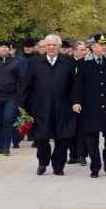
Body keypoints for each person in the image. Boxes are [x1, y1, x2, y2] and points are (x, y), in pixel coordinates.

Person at [20, 34, 76, 175]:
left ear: (59, 47)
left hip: (63, 107)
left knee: (62, 138)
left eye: (54, 45)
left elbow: (75, 85)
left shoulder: (68, 62)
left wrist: (75, 102)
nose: (51, 47)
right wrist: (22, 105)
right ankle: (43, 161)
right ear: (44, 47)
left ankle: (58, 165)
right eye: (48, 45)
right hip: (40, 107)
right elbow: (26, 85)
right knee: (41, 138)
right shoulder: (34, 63)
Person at [72, 34, 106, 178]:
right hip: (90, 106)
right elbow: (78, 85)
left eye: (104, 45)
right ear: (92, 47)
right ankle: (95, 165)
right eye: (100, 45)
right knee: (91, 137)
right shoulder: (83, 63)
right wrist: (76, 102)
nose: (103, 47)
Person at [68, 41, 88, 165]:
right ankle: (73, 154)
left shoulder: (88, 63)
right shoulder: (68, 63)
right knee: (71, 129)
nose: (83, 52)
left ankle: (82, 155)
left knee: (82, 129)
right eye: (80, 49)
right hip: (69, 100)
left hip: (84, 100)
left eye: (84, 49)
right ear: (74, 51)